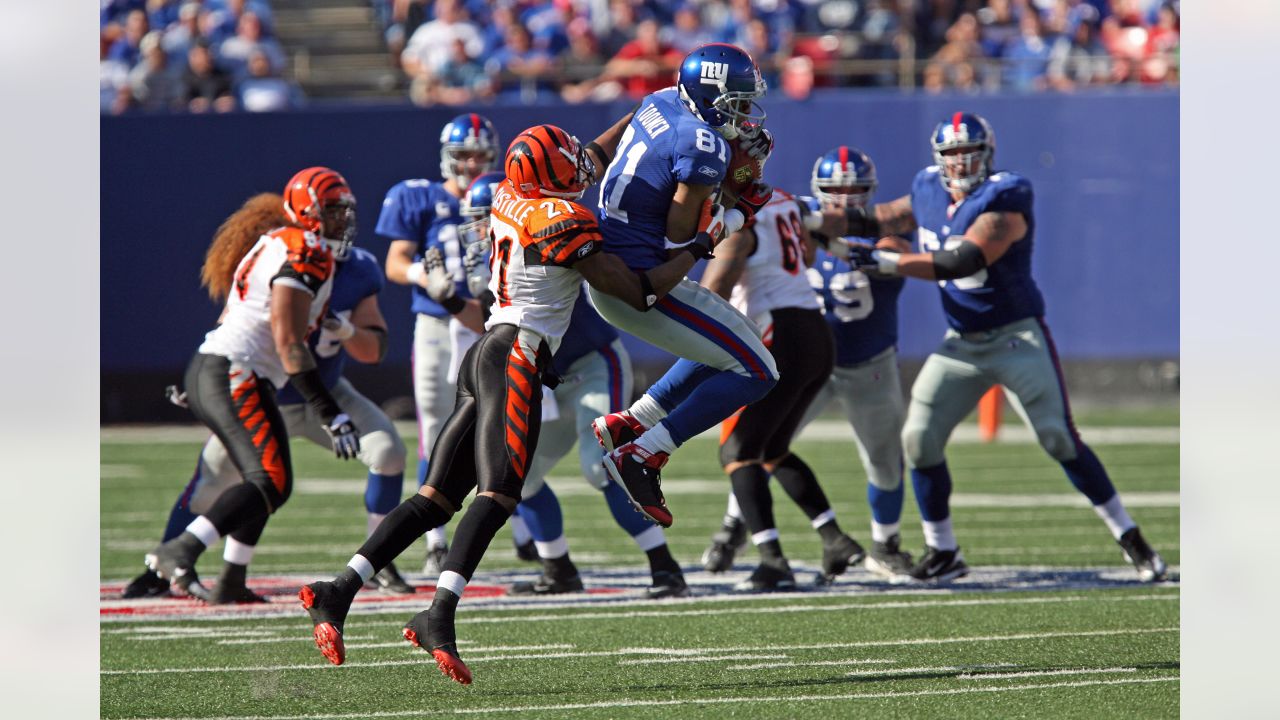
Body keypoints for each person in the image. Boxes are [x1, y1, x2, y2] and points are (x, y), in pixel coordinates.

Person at [299, 121, 715, 684]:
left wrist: (639, 116)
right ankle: (438, 615)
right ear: (552, 176)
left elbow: (589, 154)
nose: (579, 166)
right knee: (498, 493)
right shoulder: (563, 220)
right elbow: (639, 292)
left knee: (435, 498)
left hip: (484, 350)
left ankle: (337, 591)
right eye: (567, 163)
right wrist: (696, 248)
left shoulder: (508, 194)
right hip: (518, 353)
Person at [837, 112, 1167, 583]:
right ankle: (943, 550)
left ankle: (1130, 537)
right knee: (919, 438)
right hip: (962, 344)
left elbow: (960, 260)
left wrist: (886, 261)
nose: (959, 163)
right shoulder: (928, 187)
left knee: (1057, 437)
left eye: (968, 154)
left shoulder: (1006, 195)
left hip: (1016, 337)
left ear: (987, 156)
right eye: (951, 155)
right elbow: (881, 216)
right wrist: (809, 218)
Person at [123, 193, 410, 601]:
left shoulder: (356, 267)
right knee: (222, 481)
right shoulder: (293, 253)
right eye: (331, 211)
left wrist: (344, 331)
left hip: (319, 389)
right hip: (261, 389)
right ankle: (167, 564)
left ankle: (377, 562)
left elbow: (374, 350)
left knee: (386, 452)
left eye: (345, 211)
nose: (342, 220)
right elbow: (255, 329)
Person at [434, 173, 690, 599]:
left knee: (601, 465)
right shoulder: (492, 264)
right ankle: (558, 567)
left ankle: (665, 567)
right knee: (523, 475)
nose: (482, 230)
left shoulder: (547, 235)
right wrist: (448, 300)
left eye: (486, 219)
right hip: (544, 375)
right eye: (478, 221)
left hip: (592, 364)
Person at [590, 43, 779, 529]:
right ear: (710, 94)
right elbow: (682, 237)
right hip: (643, 282)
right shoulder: (702, 144)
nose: (745, 111)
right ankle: (645, 453)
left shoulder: (661, 99)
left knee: (734, 345)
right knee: (759, 371)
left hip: (615, 263)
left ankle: (630, 422)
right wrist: (737, 206)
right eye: (736, 99)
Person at [695, 181, 866, 592]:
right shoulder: (783, 200)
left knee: (737, 452)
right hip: (814, 333)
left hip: (780, 337)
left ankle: (773, 560)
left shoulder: (739, 217)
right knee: (771, 450)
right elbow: (805, 253)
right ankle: (835, 540)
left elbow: (714, 287)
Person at [376, 113, 499, 575]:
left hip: (486, 322)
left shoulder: (498, 197)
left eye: (480, 155)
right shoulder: (419, 197)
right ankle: (435, 539)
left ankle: (523, 534)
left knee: (494, 425)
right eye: (464, 154)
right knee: (434, 424)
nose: (471, 163)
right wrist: (424, 277)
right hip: (435, 323)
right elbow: (396, 261)